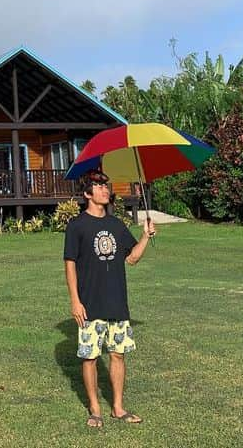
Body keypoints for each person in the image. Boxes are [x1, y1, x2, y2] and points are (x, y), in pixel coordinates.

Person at [63, 171, 155, 428]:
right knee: (90, 357)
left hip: (117, 302)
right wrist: (75, 301)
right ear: (87, 193)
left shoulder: (116, 225)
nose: (105, 189)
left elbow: (132, 258)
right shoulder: (77, 226)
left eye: (106, 185)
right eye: (98, 185)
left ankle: (117, 407)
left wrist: (146, 236)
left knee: (118, 355)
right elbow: (69, 264)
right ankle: (94, 409)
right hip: (89, 304)